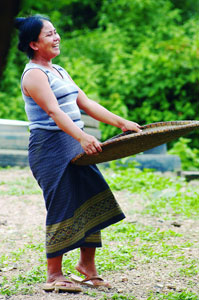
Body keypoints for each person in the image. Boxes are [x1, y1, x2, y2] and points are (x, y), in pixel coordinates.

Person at [15, 14, 141, 293]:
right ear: (34, 44)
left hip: (73, 142)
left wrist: (121, 123)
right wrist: (83, 137)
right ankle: (54, 274)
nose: (56, 37)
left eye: (56, 32)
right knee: (62, 204)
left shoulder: (59, 70)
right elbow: (53, 111)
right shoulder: (34, 74)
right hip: (49, 147)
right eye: (49, 34)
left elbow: (86, 102)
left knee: (91, 196)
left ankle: (87, 268)